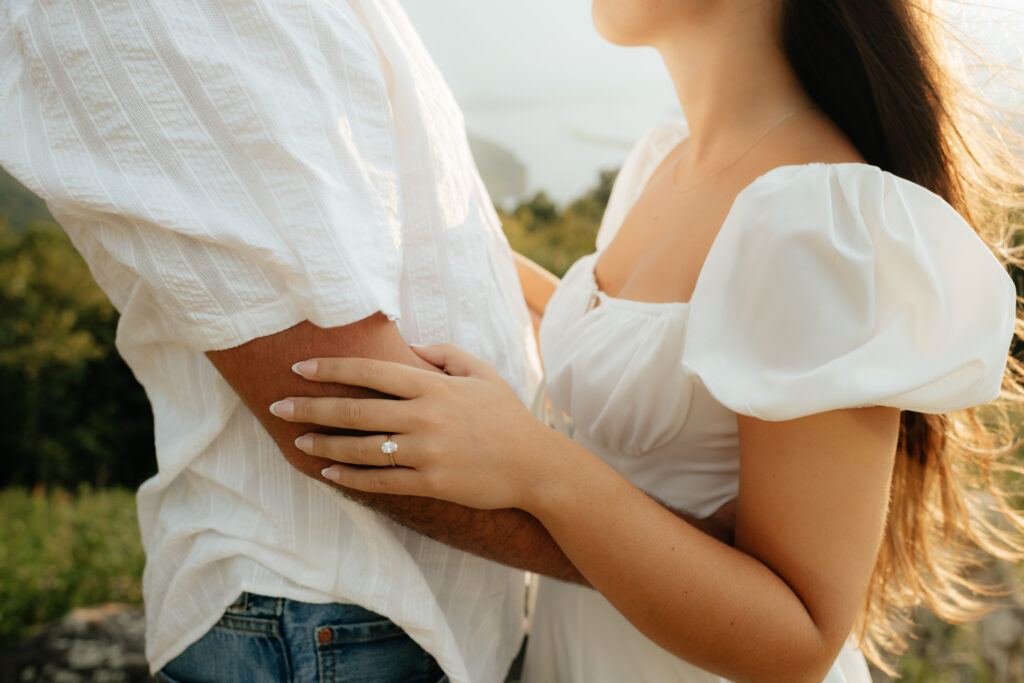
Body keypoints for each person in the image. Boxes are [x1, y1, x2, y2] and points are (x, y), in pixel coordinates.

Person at [274, 0, 1024, 681]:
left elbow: (799, 642)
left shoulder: (818, 217)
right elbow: (635, 344)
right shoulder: (664, 160)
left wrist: (535, 465)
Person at [0, 1, 743, 680]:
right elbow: (340, 407)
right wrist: (681, 559)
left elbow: (424, 247)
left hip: (410, 616)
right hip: (334, 623)